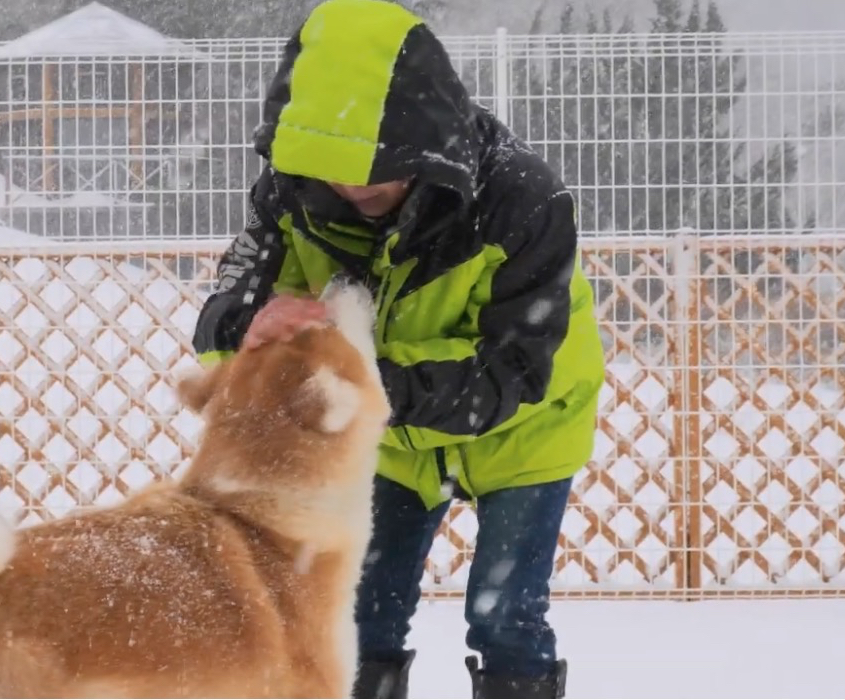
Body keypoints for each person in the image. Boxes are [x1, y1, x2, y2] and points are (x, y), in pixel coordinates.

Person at [191, 0, 605, 697]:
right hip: (388, 442)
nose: (353, 189)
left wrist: (357, 381)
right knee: (358, 613)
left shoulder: (523, 201)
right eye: (336, 171)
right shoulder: (293, 189)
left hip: (527, 432)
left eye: (376, 170)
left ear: (425, 139)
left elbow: (510, 372)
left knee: (504, 616)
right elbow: (226, 308)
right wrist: (246, 328)